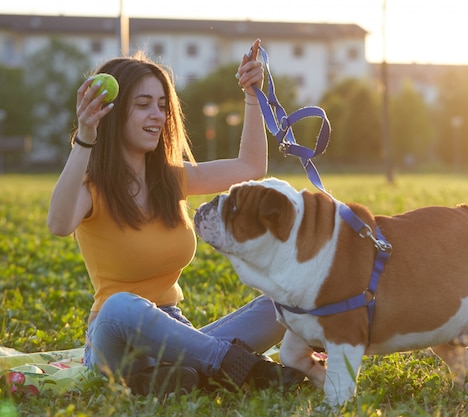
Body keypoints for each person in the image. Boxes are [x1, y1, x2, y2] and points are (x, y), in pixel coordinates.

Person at [47, 39, 304, 396]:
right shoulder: (92, 187)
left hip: (178, 335)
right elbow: (58, 224)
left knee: (282, 300)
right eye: (143, 105)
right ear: (113, 112)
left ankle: (182, 375)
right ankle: (230, 366)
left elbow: (250, 167)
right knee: (120, 304)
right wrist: (85, 138)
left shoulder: (171, 178)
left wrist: (251, 95)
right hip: (116, 341)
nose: (158, 115)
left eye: (163, 105)